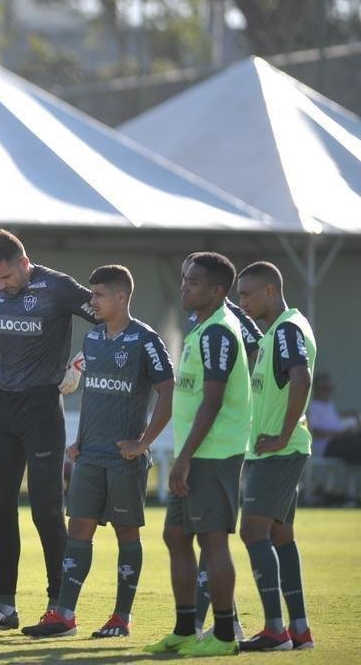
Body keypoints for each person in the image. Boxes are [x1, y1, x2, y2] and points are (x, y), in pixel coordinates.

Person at [22, 265, 173, 640]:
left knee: (126, 535)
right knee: (78, 533)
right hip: (90, 455)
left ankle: (121, 618)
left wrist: (143, 443)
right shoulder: (92, 340)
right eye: (91, 295)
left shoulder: (146, 340)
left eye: (98, 295)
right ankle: (65, 615)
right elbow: (92, 398)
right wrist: (79, 440)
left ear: (121, 297)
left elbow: (169, 393)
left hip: (124, 459)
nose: (92, 302)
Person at [0, 229, 96, 632]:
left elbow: (112, 316)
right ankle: (5, 607)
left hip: (41, 406)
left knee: (46, 509)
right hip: (3, 405)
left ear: (23, 262)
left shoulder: (57, 287)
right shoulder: (5, 284)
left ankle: (60, 608)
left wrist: (80, 364)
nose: (0, 286)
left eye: (5, 277)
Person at [144, 252, 251, 657]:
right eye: (184, 278)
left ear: (217, 291)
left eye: (193, 281)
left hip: (213, 455)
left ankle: (224, 636)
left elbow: (213, 401)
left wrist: (185, 457)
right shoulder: (199, 328)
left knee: (212, 543)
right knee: (175, 536)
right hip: (195, 454)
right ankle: (185, 628)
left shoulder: (219, 333)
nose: (184, 286)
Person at [235, 261, 316, 651]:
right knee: (281, 535)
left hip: (279, 452)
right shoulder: (278, 331)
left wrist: (282, 435)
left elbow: (301, 378)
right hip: (279, 450)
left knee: (252, 531)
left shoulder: (285, 329)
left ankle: (275, 631)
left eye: (247, 294)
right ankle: (299, 631)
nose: (242, 302)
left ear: (270, 291)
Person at [307, 373, 361, 463]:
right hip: (327, 446)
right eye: (324, 388)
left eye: (330, 388)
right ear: (315, 389)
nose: (327, 391)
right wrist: (341, 434)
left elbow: (335, 416)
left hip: (340, 442)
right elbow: (314, 431)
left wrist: (354, 415)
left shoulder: (329, 405)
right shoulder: (312, 407)